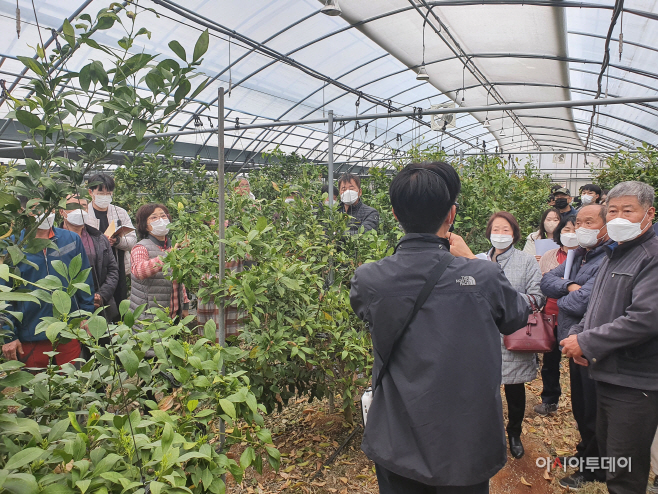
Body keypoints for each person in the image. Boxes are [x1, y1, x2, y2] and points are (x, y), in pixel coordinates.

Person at [350, 162, 530, 494]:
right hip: (466, 442)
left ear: (393, 213)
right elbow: (518, 315)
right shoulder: (484, 276)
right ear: (451, 214)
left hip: (397, 438)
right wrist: (475, 261)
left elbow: (364, 311)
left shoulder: (370, 278)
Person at [561, 181, 658, 494]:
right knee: (612, 457)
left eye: (628, 211)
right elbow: (596, 307)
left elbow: (644, 318)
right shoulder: (616, 254)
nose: (619, 218)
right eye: (613, 210)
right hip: (609, 374)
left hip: (635, 381)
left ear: (649, 214)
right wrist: (578, 334)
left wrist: (587, 343)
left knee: (625, 473)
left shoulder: (651, 257)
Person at [540, 204, 610, 490]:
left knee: (594, 409)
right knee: (581, 407)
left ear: (605, 225)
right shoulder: (578, 255)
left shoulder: (607, 258)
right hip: (573, 340)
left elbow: (585, 302)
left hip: (592, 344)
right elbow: (547, 282)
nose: (581, 228)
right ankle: (586, 455)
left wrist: (567, 291)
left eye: (589, 222)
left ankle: (595, 468)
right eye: (577, 222)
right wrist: (572, 286)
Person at [1, 197, 95, 367]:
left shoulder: (71, 240)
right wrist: (8, 335)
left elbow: (84, 281)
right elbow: (4, 292)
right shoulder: (13, 246)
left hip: (67, 331)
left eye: (48, 208)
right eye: (37, 208)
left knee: (72, 386)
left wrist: (85, 316)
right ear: (24, 212)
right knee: (37, 390)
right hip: (30, 335)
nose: (44, 214)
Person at [486, 211, 545, 460]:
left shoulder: (527, 261)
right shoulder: (477, 260)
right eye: (496, 229)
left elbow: (537, 298)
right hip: (483, 335)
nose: (500, 234)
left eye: (506, 230)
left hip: (513, 333)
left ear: (515, 234)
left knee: (514, 388)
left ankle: (514, 433)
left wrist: (504, 297)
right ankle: (489, 434)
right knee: (485, 389)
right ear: (488, 232)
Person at [533, 215, 578, 417]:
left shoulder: (585, 257)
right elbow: (543, 283)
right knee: (550, 362)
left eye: (574, 230)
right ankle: (550, 400)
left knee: (577, 362)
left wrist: (556, 284)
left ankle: (581, 404)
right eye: (566, 230)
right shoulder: (550, 255)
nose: (571, 234)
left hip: (575, 318)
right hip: (551, 314)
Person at [61, 195, 120, 322]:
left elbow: (113, 270)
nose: (80, 210)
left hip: (99, 307)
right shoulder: (54, 240)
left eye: (83, 206)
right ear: (62, 211)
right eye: (74, 206)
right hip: (65, 306)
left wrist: (101, 295)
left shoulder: (99, 238)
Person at [85, 174, 137, 309]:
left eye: (108, 193)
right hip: (94, 266)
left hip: (117, 263)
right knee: (97, 300)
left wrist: (117, 241)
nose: (105, 196)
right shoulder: (84, 214)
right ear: (91, 192)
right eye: (100, 192)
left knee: (119, 301)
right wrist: (100, 242)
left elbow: (132, 240)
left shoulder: (120, 212)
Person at [129, 203, 189, 319]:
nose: (160, 220)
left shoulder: (172, 246)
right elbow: (139, 271)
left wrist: (185, 305)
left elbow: (179, 279)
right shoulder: (141, 248)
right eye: (154, 217)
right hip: (150, 316)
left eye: (163, 216)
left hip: (174, 314)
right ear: (145, 225)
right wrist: (169, 256)